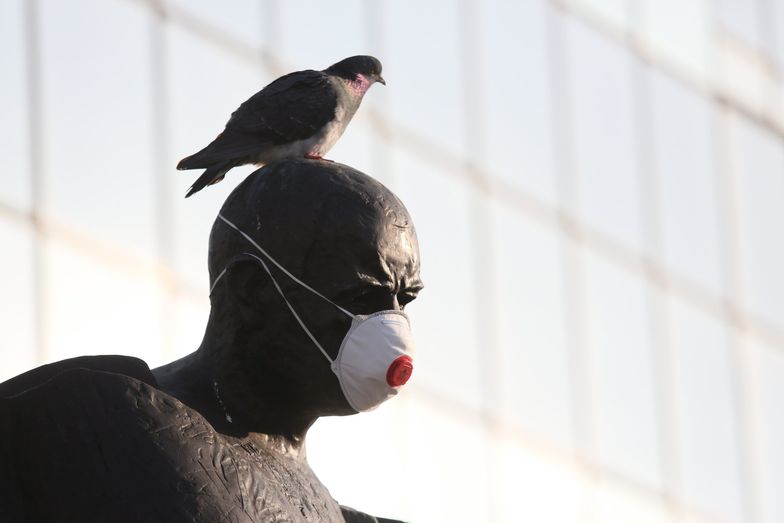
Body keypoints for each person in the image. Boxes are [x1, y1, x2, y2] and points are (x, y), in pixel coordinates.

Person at [0, 158, 423, 522]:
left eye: (403, 301)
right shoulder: (95, 420)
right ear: (252, 291)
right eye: (363, 297)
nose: (393, 326)